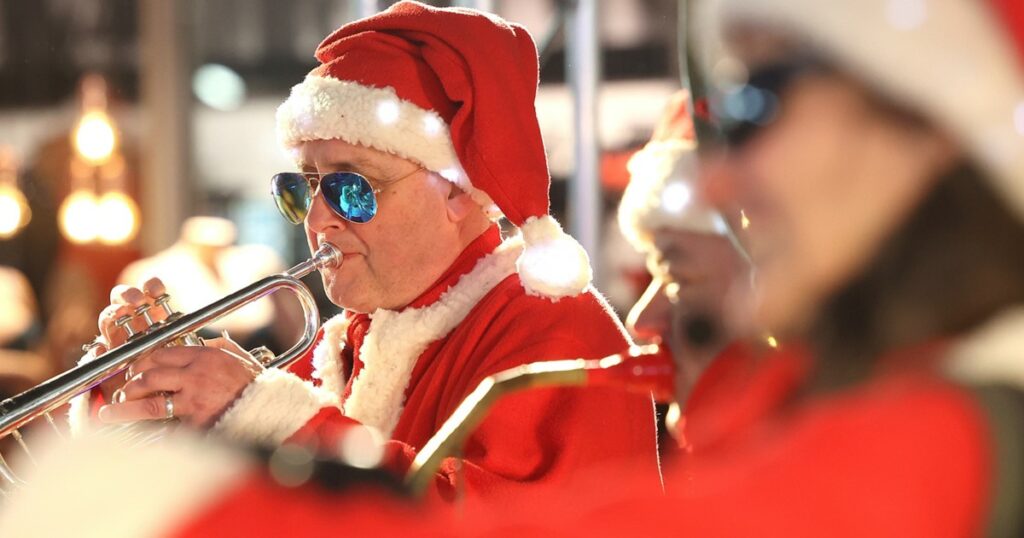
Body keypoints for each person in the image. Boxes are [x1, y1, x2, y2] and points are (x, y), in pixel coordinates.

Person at [72, 1, 659, 503]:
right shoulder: (345, 343)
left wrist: (270, 420)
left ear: (456, 190)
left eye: (352, 188)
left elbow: (511, 523)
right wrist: (146, 397)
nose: (319, 218)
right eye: (302, 186)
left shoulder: (556, 331)